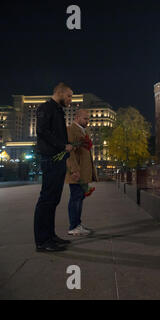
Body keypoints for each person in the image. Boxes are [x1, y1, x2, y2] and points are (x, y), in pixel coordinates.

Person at [34, 83, 73, 252]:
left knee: (53, 200)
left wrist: (66, 146)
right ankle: (42, 241)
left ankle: (50, 236)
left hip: (58, 159)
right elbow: (42, 131)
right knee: (47, 200)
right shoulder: (46, 108)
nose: (70, 100)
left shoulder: (57, 110)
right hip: (50, 158)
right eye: (69, 96)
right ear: (60, 93)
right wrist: (62, 146)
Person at [66, 109, 97, 236]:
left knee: (79, 197)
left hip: (82, 171)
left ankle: (77, 224)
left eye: (88, 119)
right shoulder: (70, 130)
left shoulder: (83, 131)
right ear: (77, 117)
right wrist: (74, 170)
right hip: (76, 171)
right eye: (85, 119)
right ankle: (74, 226)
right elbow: (69, 152)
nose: (87, 121)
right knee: (76, 198)